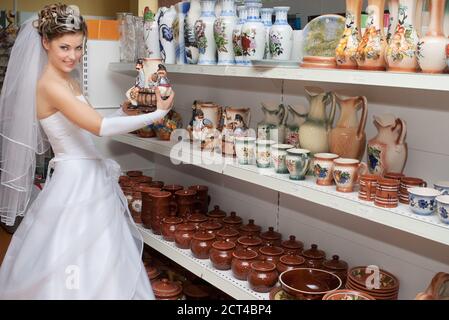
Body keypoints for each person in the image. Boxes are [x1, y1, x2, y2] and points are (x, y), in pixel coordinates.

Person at [0, 4, 174, 299]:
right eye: (64, 47)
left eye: (79, 47)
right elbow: (99, 128)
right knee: (73, 260)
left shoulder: (67, 80)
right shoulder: (49, 85)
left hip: (89, 177)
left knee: (102, 258)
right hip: (75, 182)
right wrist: (156, 114)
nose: (72, 55)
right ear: (46, 43)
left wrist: (125, 107)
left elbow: (88, 123)